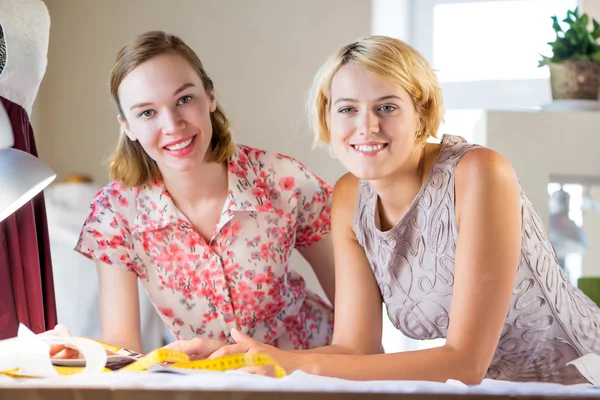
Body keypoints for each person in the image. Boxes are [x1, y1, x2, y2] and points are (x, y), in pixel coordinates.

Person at [198, 35, 600, 384]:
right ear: (327, 117)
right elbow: (357, 349)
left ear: (421, 113)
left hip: (584, 380)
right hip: (502, 390)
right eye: (347, 109)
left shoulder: (478, 172)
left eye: (387, 107)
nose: (366, 126)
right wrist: (251, 357)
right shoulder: (349, 197)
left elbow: (465, 363)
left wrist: (292, 364)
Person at [51, 30, 335, 358]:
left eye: (184, 99)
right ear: (127, 125)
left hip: (317, 371)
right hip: (213, 383)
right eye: (147, 113)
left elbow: (357, 322)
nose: (172, 124)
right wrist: (80, 356)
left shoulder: (282, 180)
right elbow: (122, 349)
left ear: (210, 96)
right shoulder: (115, 212)